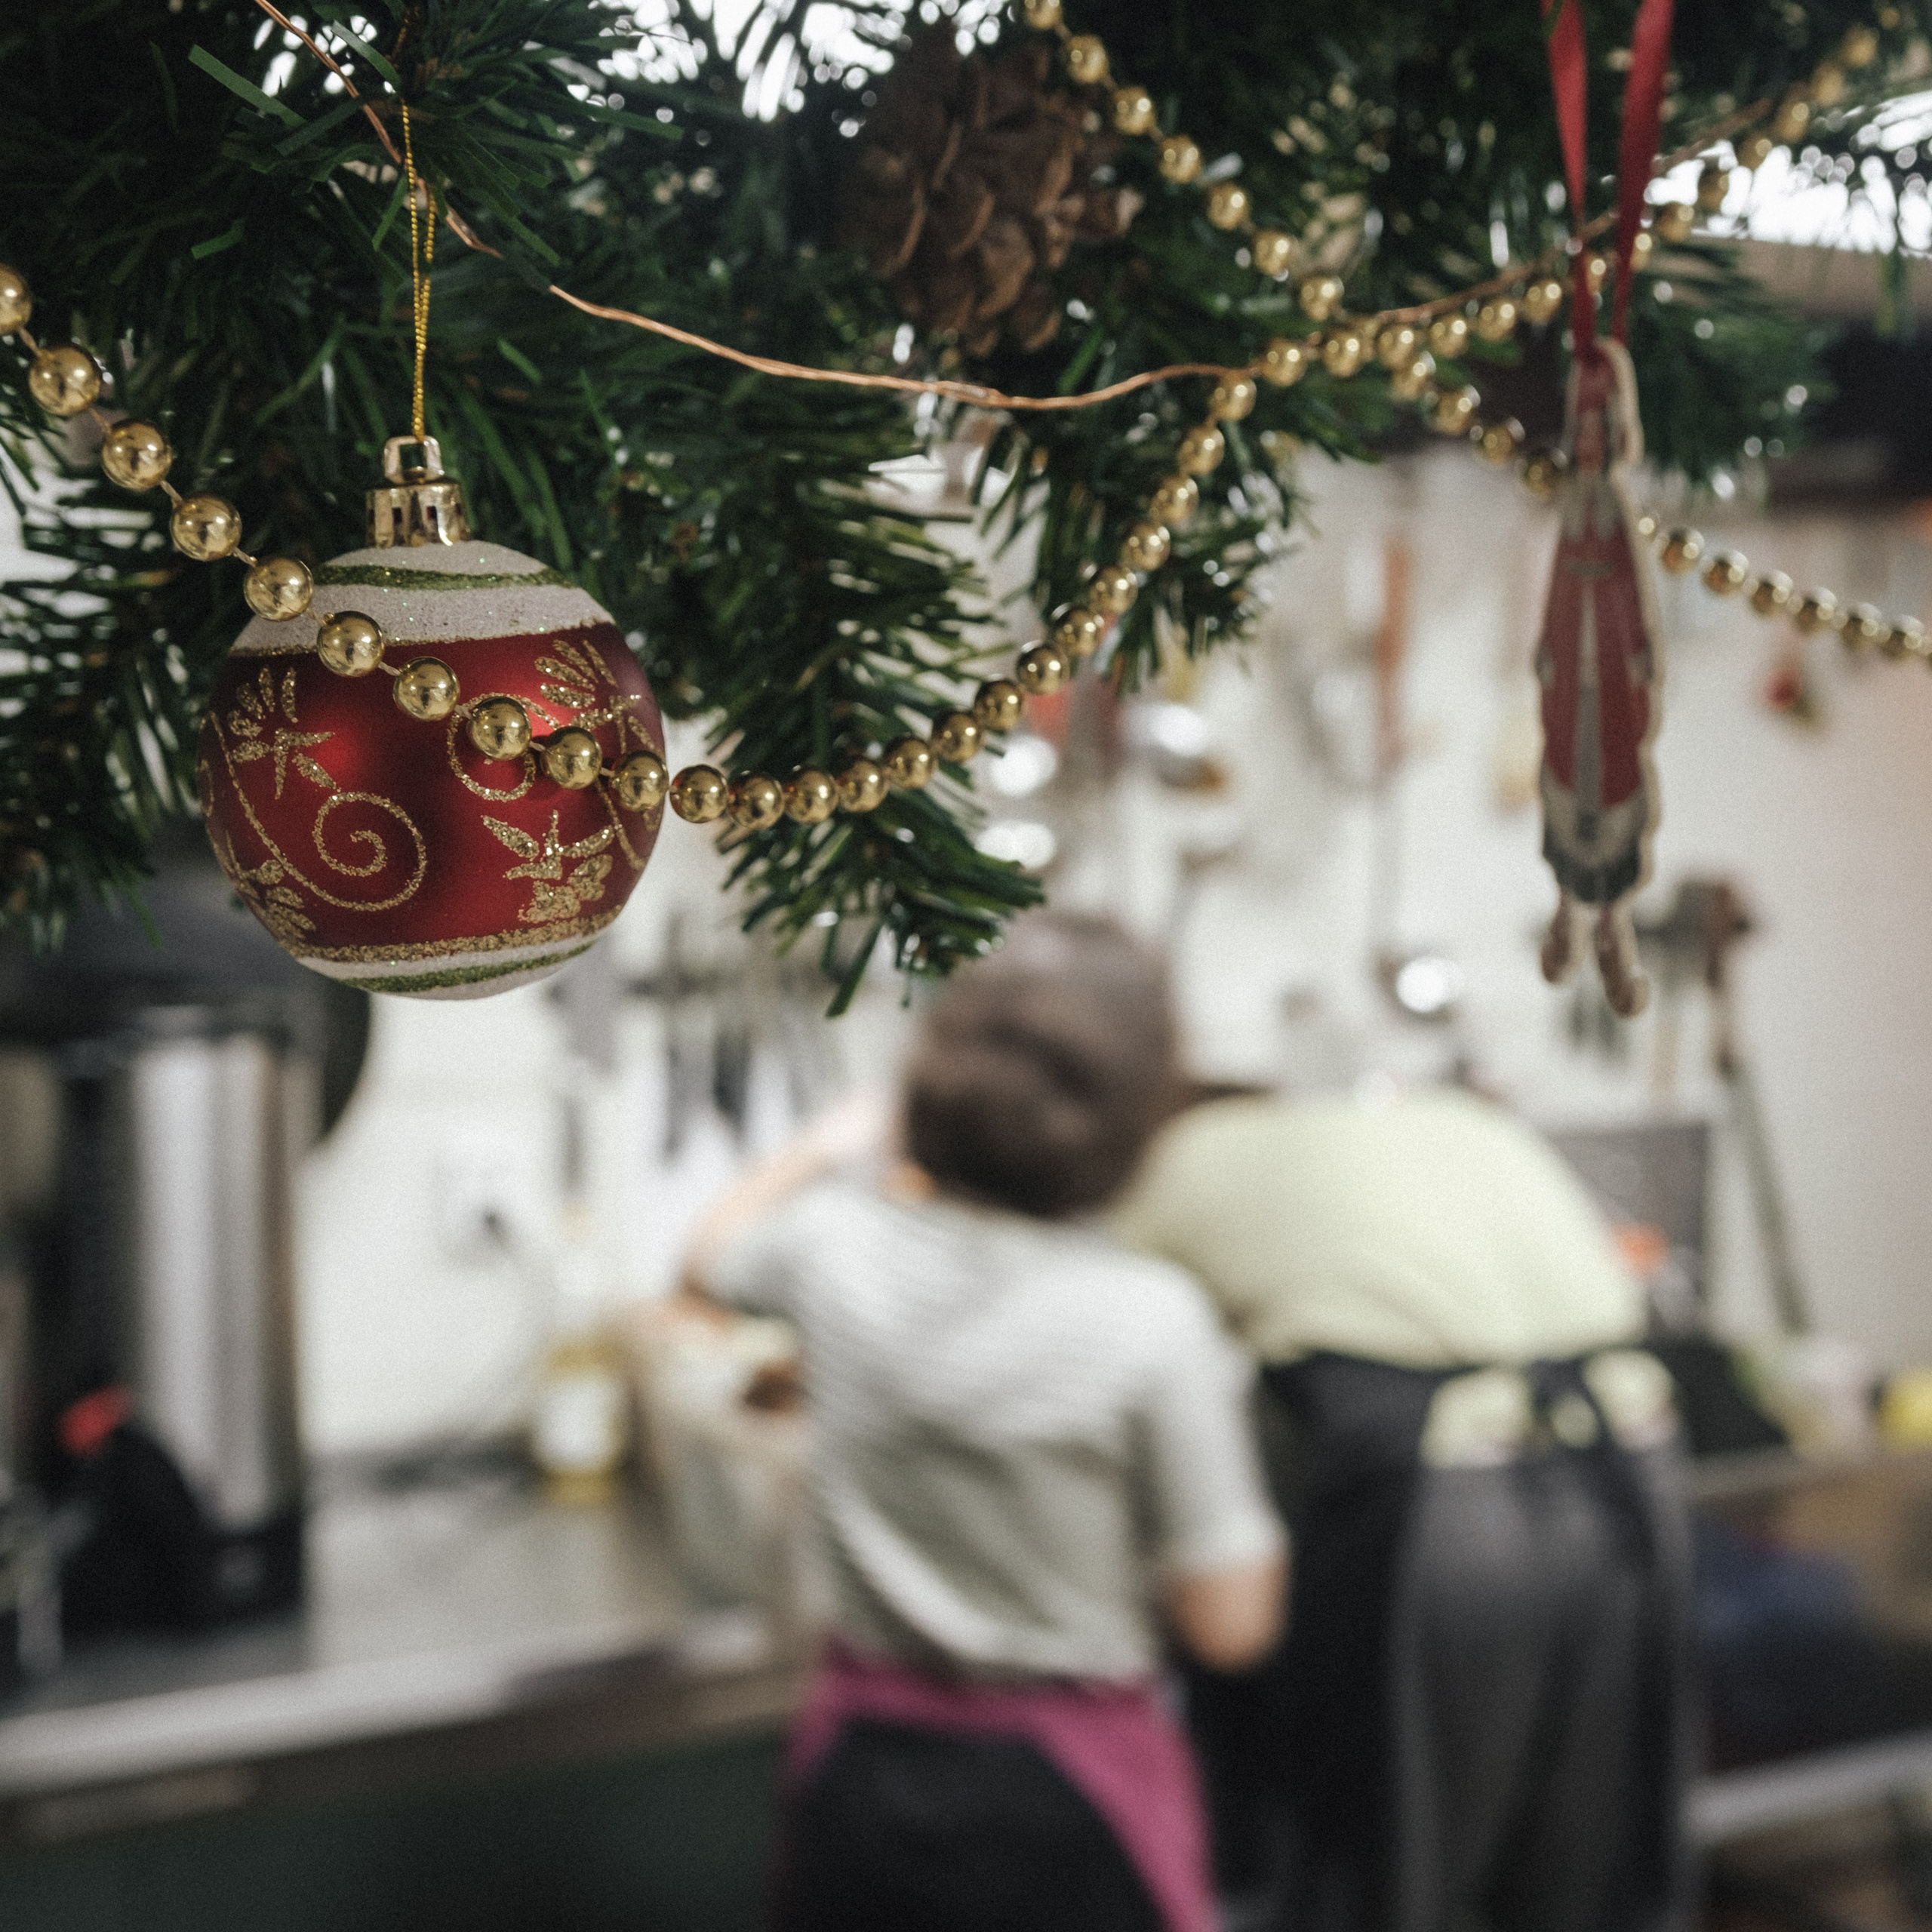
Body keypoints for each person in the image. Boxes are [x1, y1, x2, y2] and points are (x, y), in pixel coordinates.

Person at [679, 913, 1286, 1932]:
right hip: (1067, 1797)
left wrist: (832, 1140)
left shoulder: (840, 1249)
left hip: (865, 1778)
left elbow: (707, 1255)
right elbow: (1231, 1626)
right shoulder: (1150, 1320)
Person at [1114, 1083, 1694, 1932]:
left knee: (1393, 1869)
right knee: (1583, 1870)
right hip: (1634, 1475)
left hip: (1454, 1503)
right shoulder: (1452, 1125)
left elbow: (1116, 1347)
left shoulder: (1177, 1159)